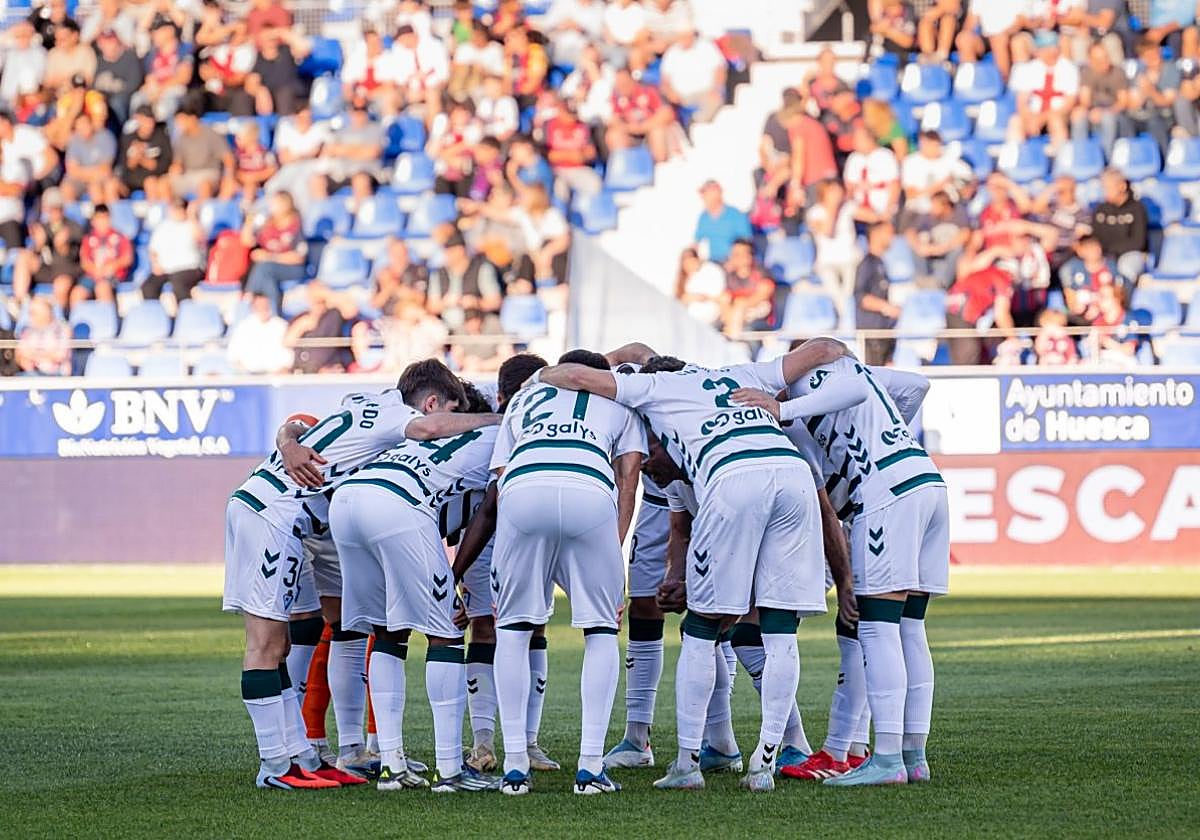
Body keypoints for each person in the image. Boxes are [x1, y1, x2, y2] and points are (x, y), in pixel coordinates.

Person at [537, 341, 836, 793]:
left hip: (731, 475)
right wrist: (785, 406)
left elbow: (577, 376)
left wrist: (533, 382)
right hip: (790, 474)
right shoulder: (743, 372)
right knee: (779, 631)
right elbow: (827, 349)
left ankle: (687, 764)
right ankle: (765, 762)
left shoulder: (656, 388)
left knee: (700, 628)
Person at [227, 360, 499, 790]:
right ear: (431, 404)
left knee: (342, 629)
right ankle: (275, 765)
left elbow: (294, 424)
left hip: (319, 517)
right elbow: (429, 432)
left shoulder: (362, 403)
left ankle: (309, 754)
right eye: (450, 412)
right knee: (267, 643)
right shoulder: (402, 418)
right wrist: (500, 418)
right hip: (277, 513)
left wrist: (287, 440)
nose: (452, 423)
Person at [732, 342, 949, 788]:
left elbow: (848, 388)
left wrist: (784, 406)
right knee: (910, 626)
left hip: (886, 496)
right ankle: (914, 755)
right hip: (926, 481)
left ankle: (887, 760)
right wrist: (882, 435)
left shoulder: (812, 381)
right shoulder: (864, 376)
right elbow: (915, 384)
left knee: (877, 627)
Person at [327, 390, 504, 792]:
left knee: (388, 633)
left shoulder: (425, 432)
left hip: (350, 500)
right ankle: (450, 771)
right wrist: (454, 573)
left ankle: (390, 765)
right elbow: (490, 510)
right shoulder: (497, 433)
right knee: (445, 635)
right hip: (398, 503)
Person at [487, 350, 645, 796]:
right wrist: (611, 550)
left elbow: (501, 474)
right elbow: (629, 477)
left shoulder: (524, 398)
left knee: (514, 628)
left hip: (523, 490)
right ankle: (590, 767)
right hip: (588, 489)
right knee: (600, 628)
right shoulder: (621, 402)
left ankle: (515, 765)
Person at [1011, 30, 1079, 150]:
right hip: (1034, 114)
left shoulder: (1068, 69)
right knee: (1016, 122)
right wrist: (1030, 117)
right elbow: (1022, 101)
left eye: (1052, 48)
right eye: (1045, 48)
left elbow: (1069, 102)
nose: (1049, 52)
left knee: (1055, 122)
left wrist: (1043, 118)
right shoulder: (1030, 68)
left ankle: (1061, 157)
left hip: (1058, 114)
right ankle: (1017, 156)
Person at [242, 192, 305, 312]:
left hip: (292, 268)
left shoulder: (295, 225)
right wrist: (249, 222)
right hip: (268, 269)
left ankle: (250, 301)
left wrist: (270, 257)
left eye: (275, 203)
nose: (271, 207)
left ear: (286, 204)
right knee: (266, 276)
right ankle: (267, 311)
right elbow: (247, 241)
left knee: (264, 268)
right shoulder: (268, 224)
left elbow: (299, 257)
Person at [1072, 42, 1131, 158]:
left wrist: (1105, 111)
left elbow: (1123, 102)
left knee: (1107, 118)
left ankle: (1106, 158)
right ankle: (1081, 156)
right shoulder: (1086, 73)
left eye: (1105, 57)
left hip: (1115, 113)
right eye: (1098, 59)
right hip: (1094, 111)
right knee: (1079, 116)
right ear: (1090, 60)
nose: (1103, 62)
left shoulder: (1118, 73)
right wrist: (1086, 110)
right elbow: (1085, 100)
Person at [607, 66, 677, 163]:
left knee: (657, 132)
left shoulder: (648, 90)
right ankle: (628, 170)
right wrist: (629, 128)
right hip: (633, 135)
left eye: (624, 83)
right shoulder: (617, 97)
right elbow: (614, 120)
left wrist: (643, 127)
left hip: (652, 129)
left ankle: (660, 166)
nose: (622, 87)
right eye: (619, 85)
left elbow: (667, 114)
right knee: (614, 135)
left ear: (632, 80)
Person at [1091, 168, 1148, 285]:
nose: (1105, 192)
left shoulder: (1137, 209)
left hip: (1130, 254)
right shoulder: (1100, 210)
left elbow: (1138, 242)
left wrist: (1111, 250)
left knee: (1126, 268)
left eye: (1109, 188)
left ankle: (1123, 300)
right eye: (1104, 188)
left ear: (1122, 186)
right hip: (1105, 255)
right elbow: (1095, 238)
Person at [1126, 36, 1182, 156]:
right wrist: (1142, 92)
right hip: (1142, 116)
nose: (1153, 58)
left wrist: (1150, 90)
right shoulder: (1140, 72)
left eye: (1155, 54)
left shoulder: (1170, 70)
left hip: (1164, 116)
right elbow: (1133, 104)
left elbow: (1167, 101)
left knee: (1155, 122)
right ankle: (1134, 159)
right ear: (1142, 58)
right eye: (1148, 56)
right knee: (1126, 121)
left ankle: (1164, 159)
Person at [855, 222, 901, 365]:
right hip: (872, 336)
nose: (892, 237)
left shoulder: (881, 263)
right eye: (889, 233)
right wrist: (886, 307)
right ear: (876, 235)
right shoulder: (867, 264)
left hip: (885, 334)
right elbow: (860, 297)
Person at [142, 199, 206, 303]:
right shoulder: (163, 227)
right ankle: (156, 316)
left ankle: (185, 314)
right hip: (166, 269)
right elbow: (153, 250)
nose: (177, 212)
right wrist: (155, 264)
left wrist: (192, 216)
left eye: (181, 208)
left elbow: (200, 239)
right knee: (148, 286)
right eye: (175, 208)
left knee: (178, 283)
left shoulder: (192, 225)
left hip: (189, 268)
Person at [905, 191, 971, 290]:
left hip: (948, 253)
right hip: (932, 254)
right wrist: (919, 246)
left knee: (958, 249)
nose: (932, 208)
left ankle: (941, 284)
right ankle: (922, 280)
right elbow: (910, 232)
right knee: (916, 247)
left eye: (935, 205)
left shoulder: (959, 213)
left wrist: (940, 249)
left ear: (945, 205)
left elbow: (965, 234)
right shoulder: (927, 216)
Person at [169, 99, 233, 201]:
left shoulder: (210, 134)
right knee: (164, 184)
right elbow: (178, 163)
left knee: (204, 186)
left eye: (182, 120)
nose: (179, 124)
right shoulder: (181, 138)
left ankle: (199, 212)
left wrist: (228, 177)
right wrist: (174, 170)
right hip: (188, 174)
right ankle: (174, 212)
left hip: (209, 174)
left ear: (192, 118)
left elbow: (228, 158)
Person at [659, 28, 726, 123]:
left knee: (714, 101)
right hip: (681, 96)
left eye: (686, 36)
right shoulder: (672, 52)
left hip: (706, 92)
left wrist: (716, 89)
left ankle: (695, 123)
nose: (684, 39)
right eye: (681, 37)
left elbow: (720, 69)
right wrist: (670, 92)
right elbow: (665, 79)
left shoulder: (706, 46)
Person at [843, 126, 900, 224]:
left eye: (858, 139)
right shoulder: (853, 158)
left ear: (870, 139)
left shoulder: (886, 156)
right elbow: (849, 187)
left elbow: (894, 186)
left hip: (882, 209)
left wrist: (887, 210)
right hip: (860, 212)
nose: (855, 142)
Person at [1059, 234, 1122, 323]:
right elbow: (1071, 299)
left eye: (1095, 246)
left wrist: (1098, 306)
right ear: (1080, 250)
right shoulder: (1070, 268)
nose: (1093, 251)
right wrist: (1085, 306)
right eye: (1088, 248)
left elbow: (1119, 296)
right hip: (1082, 314)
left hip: (1106, 311)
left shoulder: (1111, 266)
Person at [721, 238, 777, 337]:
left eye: (740, 254)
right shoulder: (730, 275)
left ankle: (733, 338)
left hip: (759, 313)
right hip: (736, 314)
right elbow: (725, 298)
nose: (736, 258)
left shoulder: (761, 272)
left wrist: (742, 305)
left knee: (740, 307)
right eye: (734, 254)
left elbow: (763, 294)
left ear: (750, 256)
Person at [226, 293, 292, 374]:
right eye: (259, 306)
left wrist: (282, 370)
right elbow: (233, 355)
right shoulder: (243, 327)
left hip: (276, 376)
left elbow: (289, 355)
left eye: (265, 305)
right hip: (249, 377)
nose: (263, 308)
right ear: (253, 308)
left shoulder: (282, 326)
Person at [78, 204, 131, 303]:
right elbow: (84, 261)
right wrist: (95, 270)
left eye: (105, 218)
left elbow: (127, 258)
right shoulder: (88, 238)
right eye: (99, 219)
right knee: (77, 293)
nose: (102, 222)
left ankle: (106, 317)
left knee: (102, 288)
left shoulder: (120, 237)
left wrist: (112, 266)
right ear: (93, 221)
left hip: (113, 276)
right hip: (93, 275)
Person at [693, 180, 752, 264]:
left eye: (706, 193)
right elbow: (696, 243)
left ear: (717, 193)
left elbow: (747, 242)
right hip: (713, 262)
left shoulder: (736, 215)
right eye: (703, 194)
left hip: (734, 263)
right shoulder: (704, 217)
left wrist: (734, 261)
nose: (703, 197)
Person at [15, 296, 70, 375]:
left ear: (45, 312)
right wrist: (46, 355)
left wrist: (32, 355)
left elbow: (60, 355)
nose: (30, 316)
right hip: (31, 373)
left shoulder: (62, 329)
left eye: (33, 313)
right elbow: (20, 354)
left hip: (56, 375)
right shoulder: (27, 331)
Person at [675, 246, 726, 327]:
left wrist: (703, 297)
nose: (689, 266)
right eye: (686, 264)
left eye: (691, 262)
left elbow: (721, 297)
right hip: (689, 319)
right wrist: (686, 299)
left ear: (697, 259)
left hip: (710, 318)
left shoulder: (711, 272)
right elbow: (678, 302)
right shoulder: (684, 281)